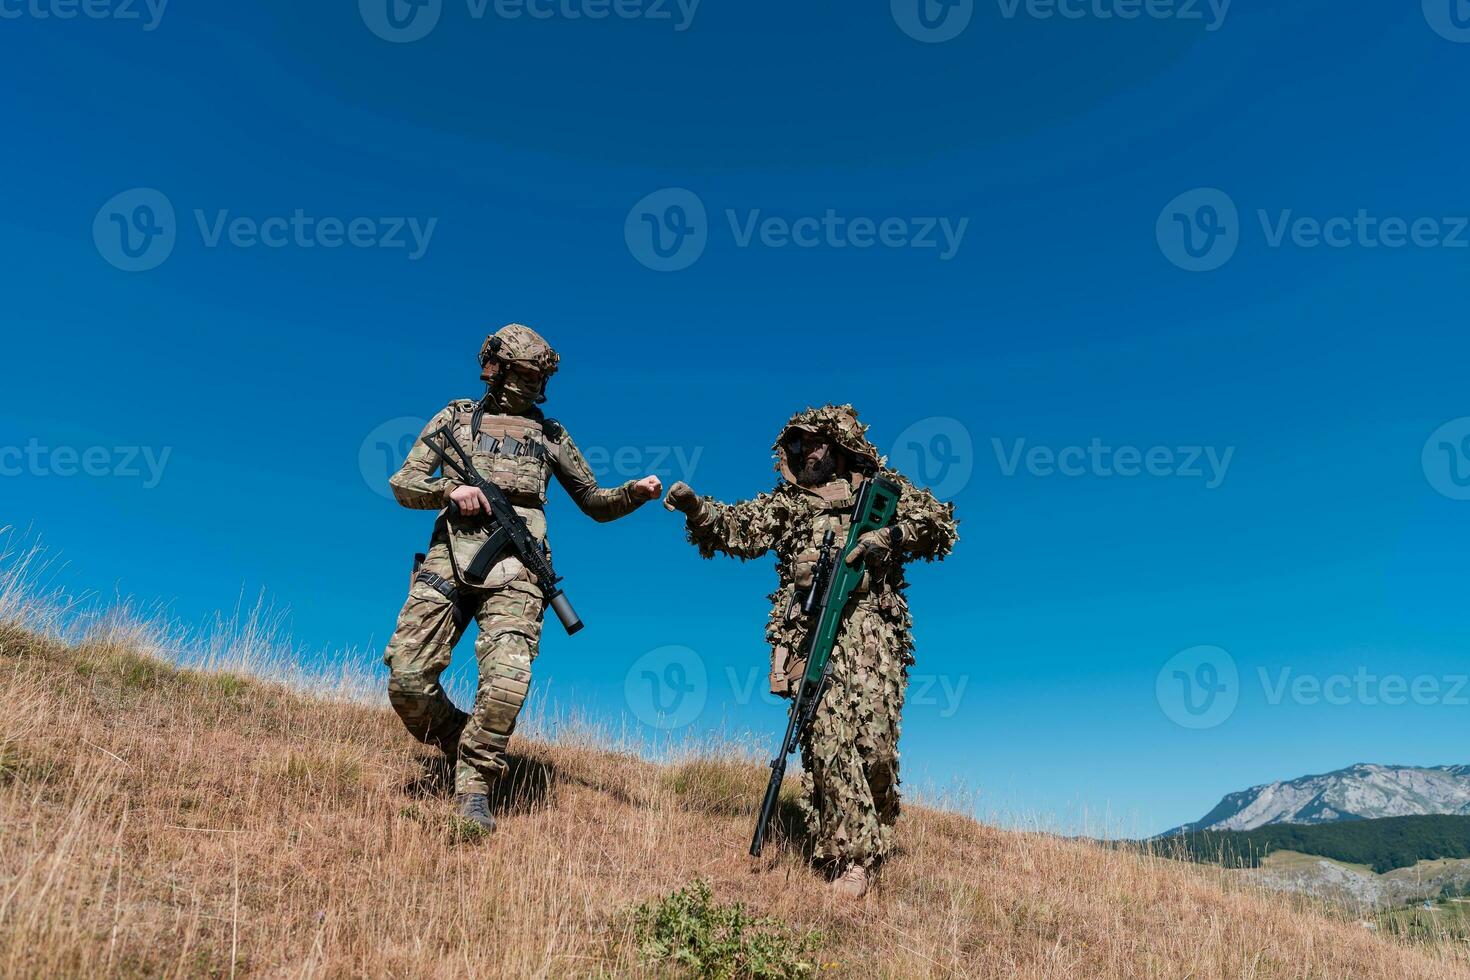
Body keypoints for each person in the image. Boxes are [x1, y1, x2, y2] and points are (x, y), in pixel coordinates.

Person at [663, 404, 957, 897]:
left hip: (870, 629)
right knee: (826, 737)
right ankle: (850, 860)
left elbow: (938, 524)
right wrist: (697, 508)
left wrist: (890, 536)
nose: (806, 452)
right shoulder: (789, 505)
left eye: (815, 441)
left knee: (876, 746)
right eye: (797, 444)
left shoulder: (878, 491)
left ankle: (876, 825)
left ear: (838, 445)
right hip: (812, 634)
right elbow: (738, 526)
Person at [383, 323, 661, 831]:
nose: (533, 385)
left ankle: (473, 787)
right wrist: (449, 491)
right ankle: (465, 741)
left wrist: (633, 494)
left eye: (540, 377)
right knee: (407, 679)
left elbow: (595, 503)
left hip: (519, 568)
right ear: (497, 369)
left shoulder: (551, 436)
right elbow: (403, 482)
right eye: (525, 374)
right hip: (450, 558)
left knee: (508, 681)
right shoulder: (455, 419)